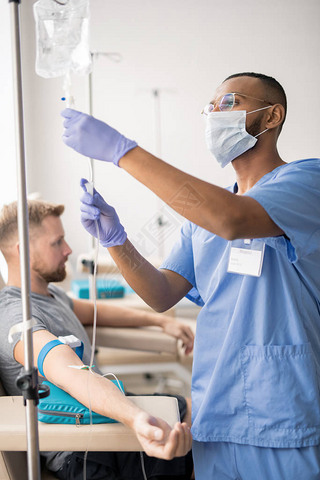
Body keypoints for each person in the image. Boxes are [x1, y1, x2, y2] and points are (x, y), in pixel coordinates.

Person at [61, 71, 320, 480]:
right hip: (215, 411)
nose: (215, 113)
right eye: (210, 106)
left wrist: (121, 151)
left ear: (272, 116)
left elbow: (233, 220)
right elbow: (161, 293)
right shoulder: (203, 218)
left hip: (285, 411)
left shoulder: (307, 180)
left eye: (230, 102)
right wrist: (115, 238)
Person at [0, 199, 194, 480]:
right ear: (24, 251)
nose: (68, 250)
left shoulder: (51, 296)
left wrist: (162, 321)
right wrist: (136, 418)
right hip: (84, 448)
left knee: (198, 411)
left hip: (107, 415)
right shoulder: (15, 314)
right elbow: (66, 370)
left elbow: (97, 311)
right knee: (201, 438)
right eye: (58, 243)